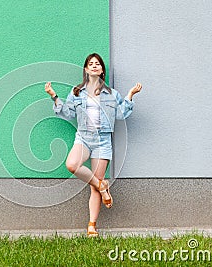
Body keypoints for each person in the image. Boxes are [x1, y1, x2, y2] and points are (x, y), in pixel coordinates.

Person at [44, 53, 142, 237]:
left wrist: (130, 95)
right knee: (72, 164)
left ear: (102, 70)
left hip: (102, 140)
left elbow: (121, 114)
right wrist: (54, 96)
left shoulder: (111, 94)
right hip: (83, 138)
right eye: (91, 64)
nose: (95, 66)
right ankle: (102, 186)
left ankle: (91, 226)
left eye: (98, 64)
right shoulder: (76, 92)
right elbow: (67, 113)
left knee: (93, 187)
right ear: (86, 69)